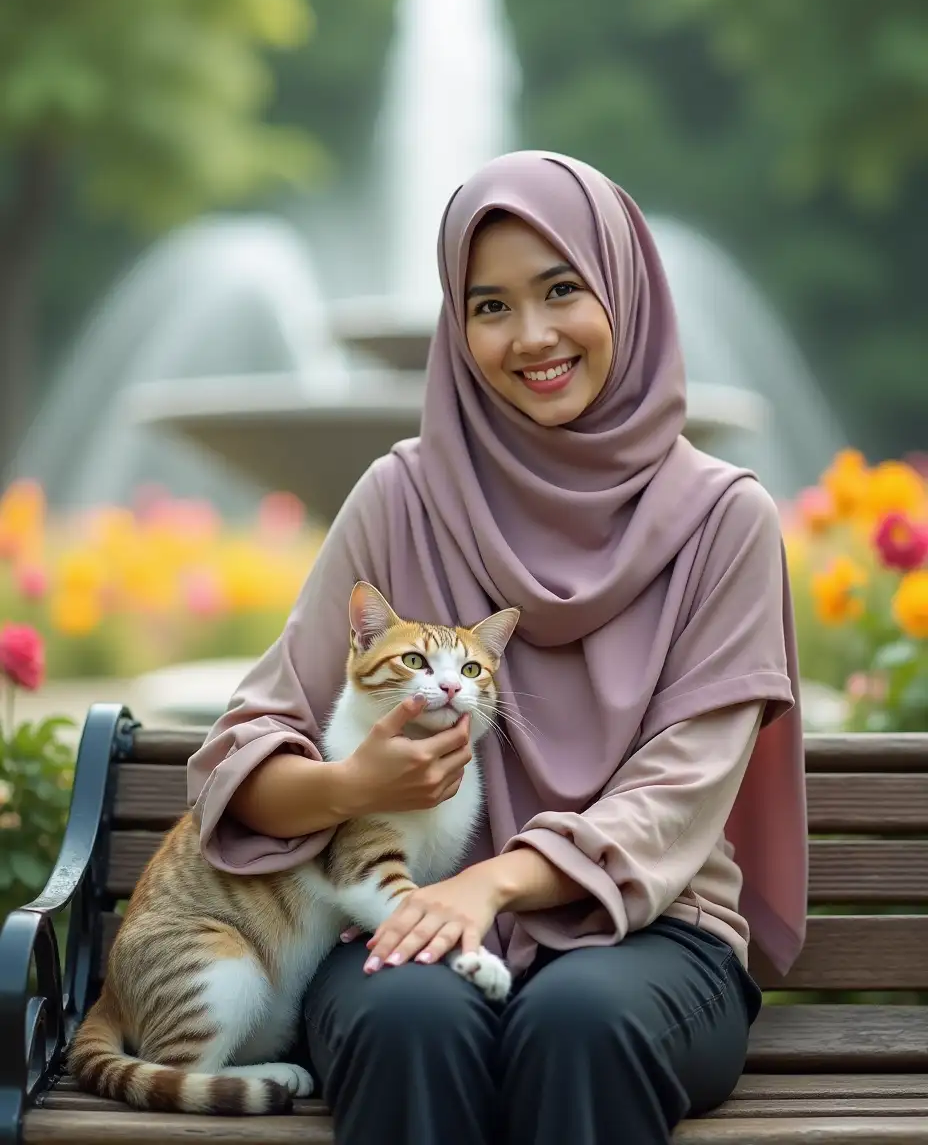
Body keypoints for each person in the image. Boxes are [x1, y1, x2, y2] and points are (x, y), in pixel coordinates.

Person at [187, 151, 808, 1145]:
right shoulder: (401, 496)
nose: (530, 336)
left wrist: (492, 880)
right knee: (406, 1018)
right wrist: (351, 785)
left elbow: (678, 790)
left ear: (625, 289)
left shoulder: (724, 521)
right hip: (406, 917)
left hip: (647, 931)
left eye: (562, 289)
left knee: (580, 1019)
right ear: (455, 324)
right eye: (488, 306)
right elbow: (248, 744)